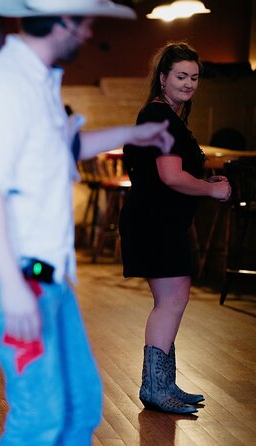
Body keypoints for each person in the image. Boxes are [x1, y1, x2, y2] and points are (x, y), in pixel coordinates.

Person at [0, 0, 175, 443]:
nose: (90, 33)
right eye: (87, 22)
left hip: (45, 274)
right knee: (40, 416)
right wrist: (12, 284)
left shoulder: (37, 80)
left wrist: (133, 134)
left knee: (80, 406)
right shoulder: (4, 84)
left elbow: (61, 149)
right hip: (12, 274)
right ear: (64, 21)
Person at [118, 42, 231, 414]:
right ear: (163, 78)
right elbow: (170, 176)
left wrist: (200, 179)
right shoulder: (159, 116)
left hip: (157, 219)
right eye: (181, 76)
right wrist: (211, 190)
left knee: (173, 299)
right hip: (155, 220)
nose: (189, 84)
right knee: (171, 300)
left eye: (195, 77)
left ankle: (163, 383)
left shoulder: (164, 115)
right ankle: (155, 386)